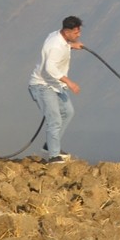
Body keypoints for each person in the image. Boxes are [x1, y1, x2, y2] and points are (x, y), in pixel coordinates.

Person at [28, 16, 84, 163]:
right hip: (42, 85)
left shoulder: (59, 37)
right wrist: (69, 82)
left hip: (55, 85)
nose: (78, 35)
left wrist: (72, 46)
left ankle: (50, 146)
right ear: (67, 31)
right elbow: (50, 67)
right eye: (76, 32)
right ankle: (53, 156)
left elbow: (58, 46)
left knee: (68, 112)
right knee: (54, 120)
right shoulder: (56, 45)